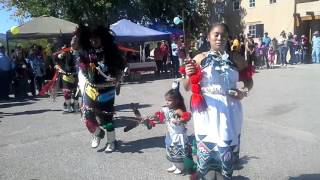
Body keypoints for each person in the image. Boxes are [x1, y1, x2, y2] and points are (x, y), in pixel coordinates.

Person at [182, 23, 251, 179]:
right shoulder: (199, 58)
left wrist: (243, 92)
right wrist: (188, 74)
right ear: (209, 37)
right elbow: (186, 87)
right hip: (206, 110)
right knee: (207, 152)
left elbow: (249, 82)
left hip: (230, 109)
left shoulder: (237, 59)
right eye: (216, 34)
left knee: (225, 148)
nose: (220, 38)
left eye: (224, 35)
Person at [78, 25, 125, 152]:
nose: (93, 41)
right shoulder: (85, 53)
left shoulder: (111, 51)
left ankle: (111, 141)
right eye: (91, 39)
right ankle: (98, 134)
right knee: (88, 115)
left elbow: (121, 66)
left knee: (106, 118)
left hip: (107, 90)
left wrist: (117, 76)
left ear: (103, 38)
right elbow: (81, 67)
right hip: (91, 89)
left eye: (96, 39)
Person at [146, 84, 192, 175]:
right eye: (166, 100)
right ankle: (174, 165)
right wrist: (151, 117)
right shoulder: (166, 109)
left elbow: (187, 117)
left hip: (178, 135)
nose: (167, 102)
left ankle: (181, 167)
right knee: (171, 149)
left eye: (169, 100)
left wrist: (179, 120)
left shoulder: (178, 110)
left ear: (177, 101)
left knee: (178, 151)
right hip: (170, 134)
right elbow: (159, 115)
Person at [54, 46, 79, 113]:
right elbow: (56, 59)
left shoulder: (76, 53)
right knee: (67, 92)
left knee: (76, 91)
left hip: (75, 75)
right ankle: (68, 107)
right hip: (66, 76)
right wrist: (61, 55)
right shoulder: (61, 55)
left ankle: (75, 105)